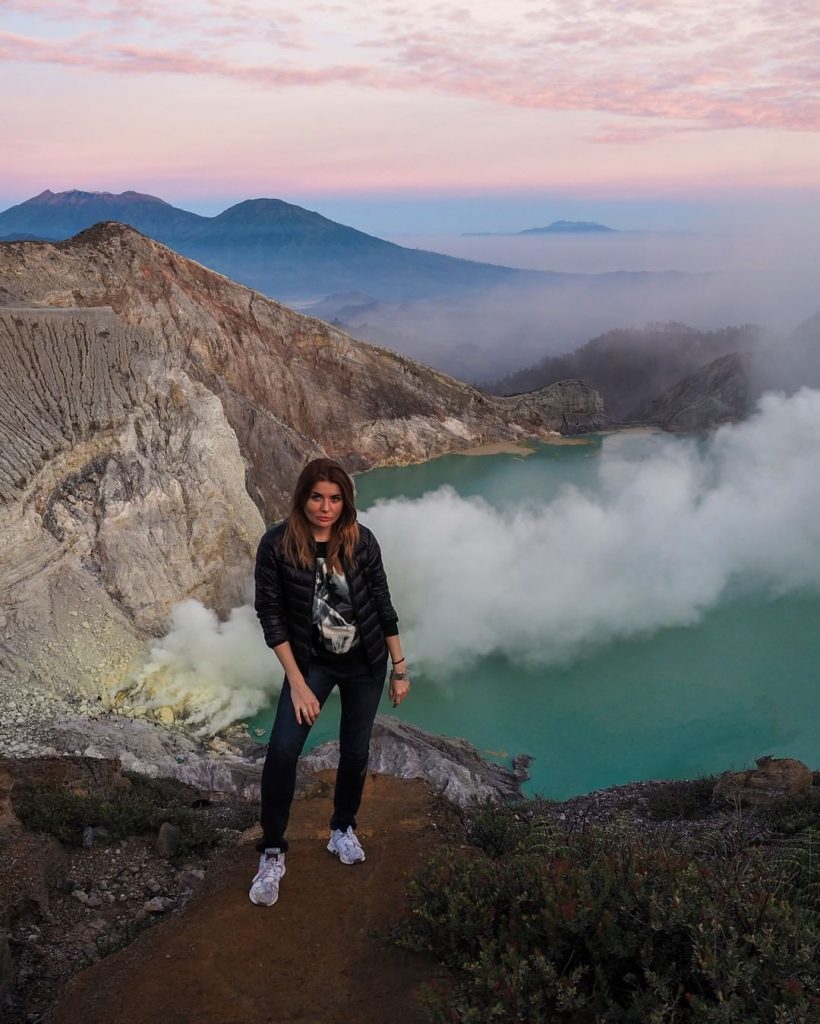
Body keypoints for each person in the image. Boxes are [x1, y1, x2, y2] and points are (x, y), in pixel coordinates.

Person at [249, 457, 410, 906]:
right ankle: (273, 851)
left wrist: (399, 667)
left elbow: (382, 602)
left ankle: (342, 828)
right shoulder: (278, 545)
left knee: (356, 751)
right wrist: (298, 683)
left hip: (364, 663)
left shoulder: (361, 541)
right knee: (282, 750)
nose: (326, 507)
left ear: (346, 501)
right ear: (302, 497)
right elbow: (271, 616)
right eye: (317, 497)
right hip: (311, 664)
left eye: (335, 498)